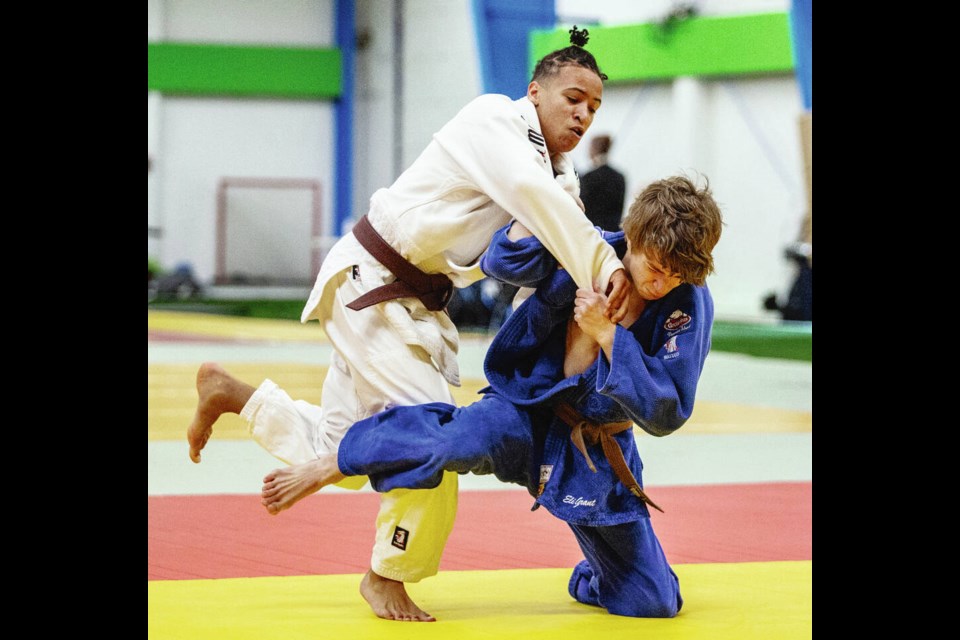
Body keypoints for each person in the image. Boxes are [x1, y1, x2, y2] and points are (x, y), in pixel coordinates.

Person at [187, 26, 630, 622]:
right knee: (430, 438)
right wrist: (609, 269)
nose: (583, 113)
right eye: (573, 97)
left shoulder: (560, 178)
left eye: (594, 107)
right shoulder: (495, 120)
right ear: (534, 92)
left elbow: (554, 240)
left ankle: (236, 397)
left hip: (412, 307)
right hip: (372, 286)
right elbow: (538, 201)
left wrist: (609, 294)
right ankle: (385, 575)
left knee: (341, 451)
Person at [257, 175, 724, 618]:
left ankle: (597, 574)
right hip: (523, 411)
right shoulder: (585, 246)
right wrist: (537, 218)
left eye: (677, 275)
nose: (662, 282)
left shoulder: (689, 303)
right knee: (446, 442)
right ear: (632, 236)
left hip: (595, 451)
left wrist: (608, 336)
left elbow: (669, 409)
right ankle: (334, 461)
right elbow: (503, 261)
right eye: (656, 267)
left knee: (653, 603)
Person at [578, 134, 626, 232]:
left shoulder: (588, 177)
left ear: (595, 148)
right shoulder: (619, 177)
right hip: (612, 233)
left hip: (592, 232)